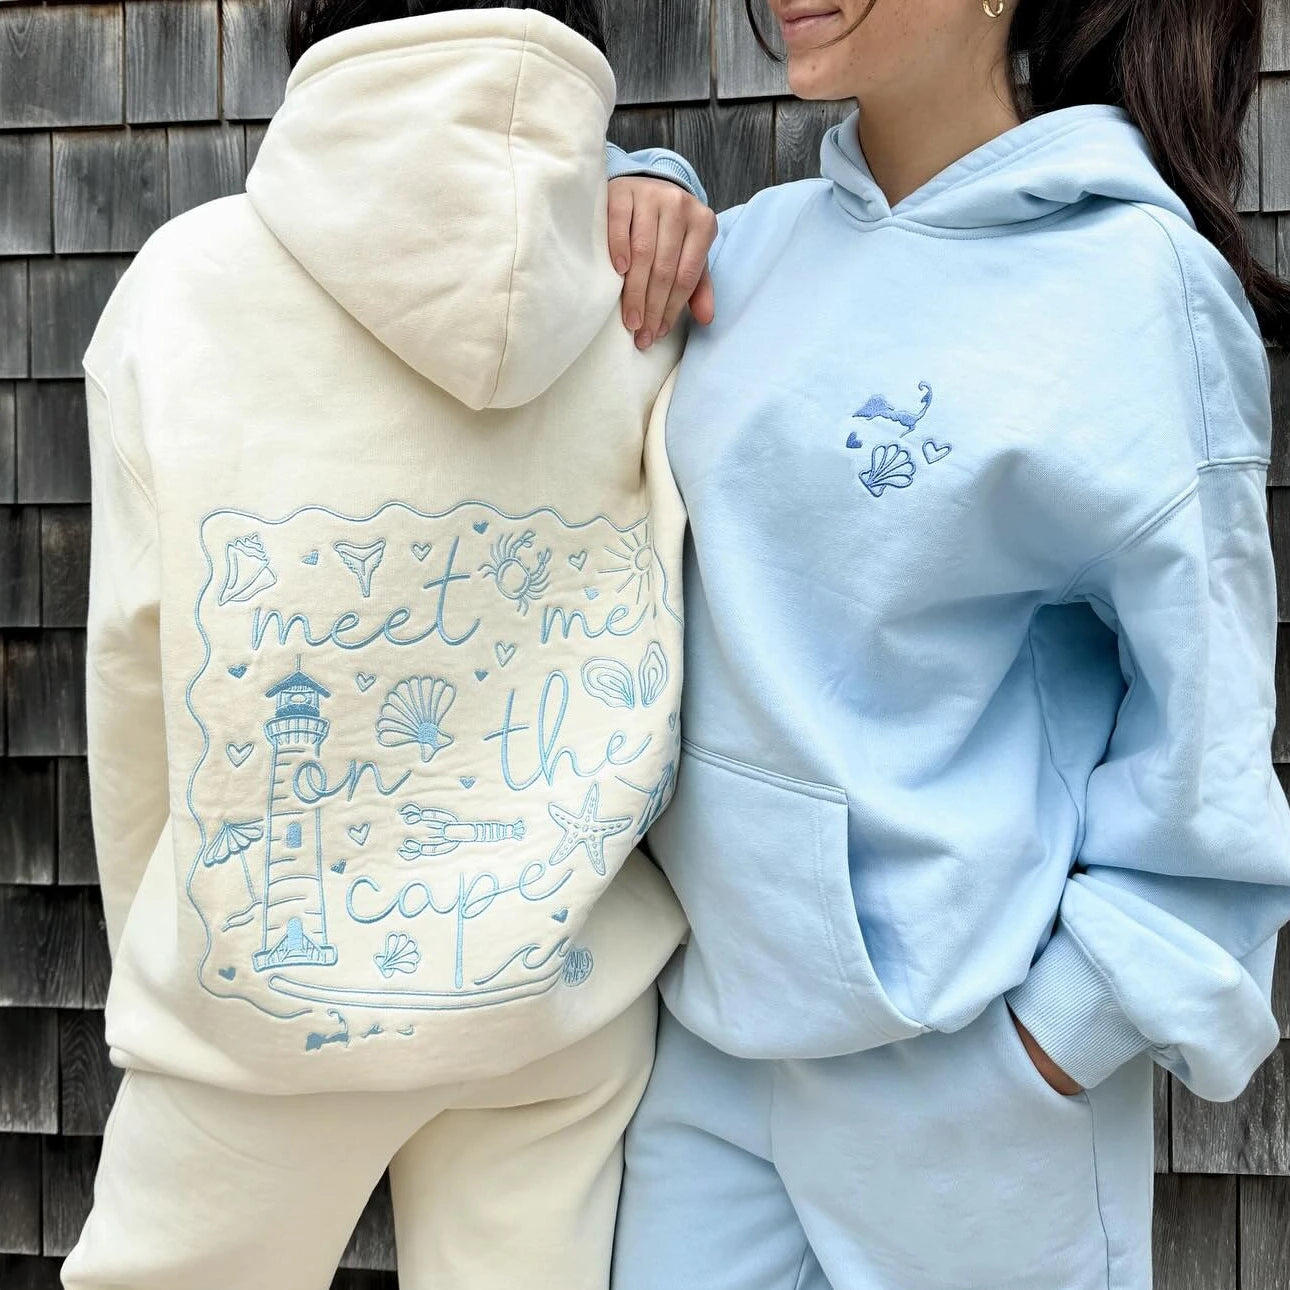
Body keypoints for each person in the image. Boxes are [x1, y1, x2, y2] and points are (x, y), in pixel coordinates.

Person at [603, 0, 1290, 1286]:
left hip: (974, 1076)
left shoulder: (1135, 286)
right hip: (712, 1049)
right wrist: (632, 186)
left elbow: (1206, 730)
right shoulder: (747, 255)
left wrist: (1054, 1042)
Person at [63, 5, 696, 1288]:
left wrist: (177, 965)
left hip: (253, 1026)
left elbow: (136, 685)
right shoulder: (648, 291)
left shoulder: (186, 288)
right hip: (554, 1014)